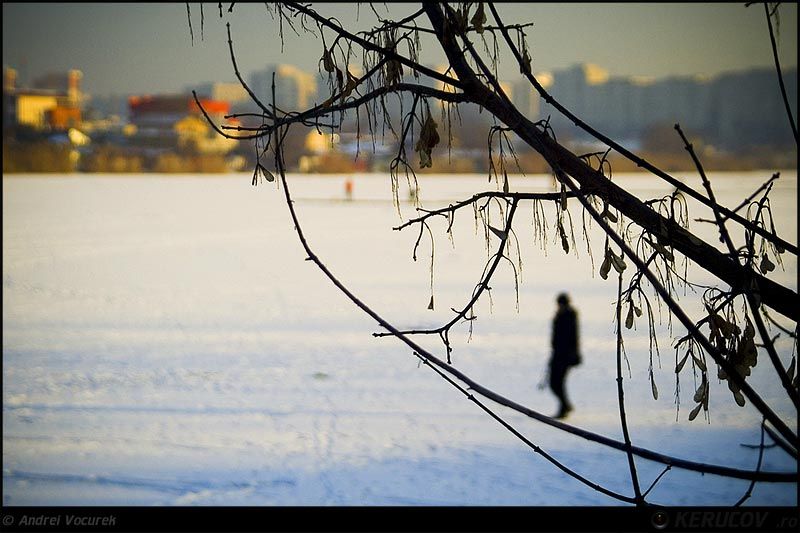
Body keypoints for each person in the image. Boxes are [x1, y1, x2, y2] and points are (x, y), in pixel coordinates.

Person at [549, 292, 581, 419]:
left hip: (564, 357)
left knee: (557, 383)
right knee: (555, 383)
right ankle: (565, 406)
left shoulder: (568, 317)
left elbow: (572, 338)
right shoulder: (562, 315)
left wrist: (572, 355)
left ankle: (564, 407)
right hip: (558, 355)